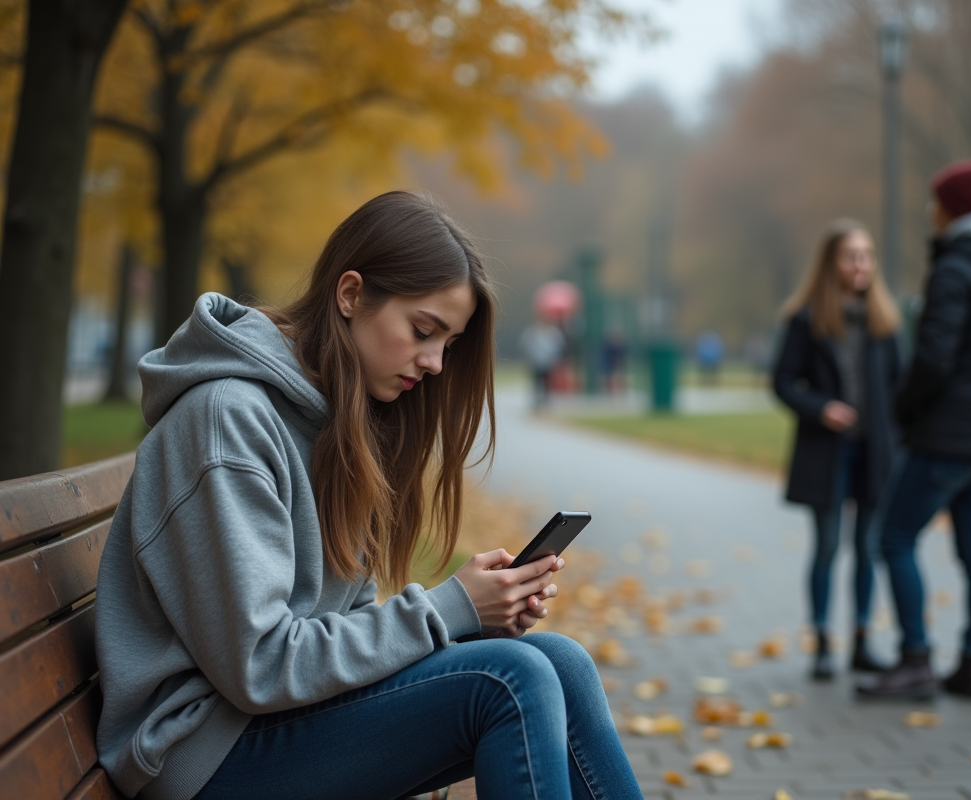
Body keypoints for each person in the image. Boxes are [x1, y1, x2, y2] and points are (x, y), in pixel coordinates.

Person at [94, 192, 642, 800]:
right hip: (201, 752)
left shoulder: (337, 421)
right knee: (509, 682)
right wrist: (450, 610)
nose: (434, 363)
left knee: (560, 664)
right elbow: (262, 665)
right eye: (422, 331)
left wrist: (468, 627)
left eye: (448, 344)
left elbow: (335, 631)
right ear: (350, 294)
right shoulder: (228, 421)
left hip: (275, 722)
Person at [857, 160, 971, 701]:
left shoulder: (955, 268)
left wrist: (900, 407)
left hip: (946, 435)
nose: (929, 212)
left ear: (954, 209)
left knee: (892, 536)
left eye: (936, 203)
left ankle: (915, 659)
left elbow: (933, 358)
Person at [772, 219, 903, 681]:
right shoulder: (805, 319)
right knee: (828, 546)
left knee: (868, 547)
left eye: (867, 255)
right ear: (832, 264)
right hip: (827, 453)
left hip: (874, 453)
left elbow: (899, 387)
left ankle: (863, 640)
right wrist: (821, 407)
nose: (861, 264)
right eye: (851, 256)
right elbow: (782, 382)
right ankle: (824, 641)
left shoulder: (884, 322)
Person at [520, 314, 566, 409]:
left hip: (548, 362)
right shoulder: (532, 332)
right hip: (536, 362)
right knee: (536, 382)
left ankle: (545, 400)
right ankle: (537, 400)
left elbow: (559, 346)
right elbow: (525, 344)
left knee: (547, 382)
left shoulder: (553, 333)